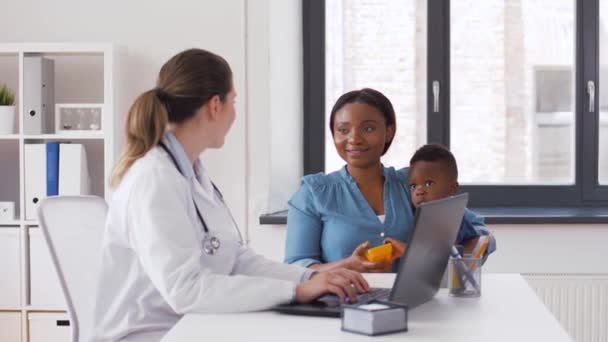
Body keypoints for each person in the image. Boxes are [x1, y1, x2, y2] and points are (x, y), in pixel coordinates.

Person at [92, 49, 369, 342]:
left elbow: (236, 260)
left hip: (189, 326)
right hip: (149, 334)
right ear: (215, 105)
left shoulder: (191, 174)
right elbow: (185, 290)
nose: (234, 112)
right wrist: (296, 292)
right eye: (232, 101)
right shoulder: (154, 179)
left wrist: (310, 279)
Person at [284, 88, 493, 273]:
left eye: (368, 128)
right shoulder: (313, 192)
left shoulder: (413, 184)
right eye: (343, 130)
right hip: (341, 307)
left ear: (389, 132)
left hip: (415, 305)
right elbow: (296, 265)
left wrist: (453, 262)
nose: (354, 139)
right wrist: (345, 266)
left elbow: (481, 235)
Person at [400, 143, 496, 256]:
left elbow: (485, 238)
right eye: (413, 186)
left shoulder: (457, 215)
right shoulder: (408, 215)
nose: (419, 191)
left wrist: (463, 250)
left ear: (452, 188)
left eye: (428, 183)